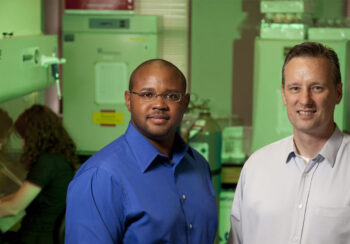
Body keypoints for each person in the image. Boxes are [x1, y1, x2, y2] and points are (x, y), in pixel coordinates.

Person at [65, 59, 218, 244]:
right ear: (129, 101)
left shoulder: (198, 165)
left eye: (172, 96)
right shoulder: (101, 176)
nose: (160, 104)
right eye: (147, 94)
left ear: (185, 103)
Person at [229, 42, 350, 244]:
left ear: (338, 93)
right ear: (284, 94)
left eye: (317, 88)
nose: (305, 100)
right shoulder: (256, 167)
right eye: (295, 88)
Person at [0, 105, 77, 244]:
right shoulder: (59, 158)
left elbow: (14, 207)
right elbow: (20, 196)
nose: (23, 144)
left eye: (24, 137)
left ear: (36, 135)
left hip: (37, 238)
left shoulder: (46, 162)